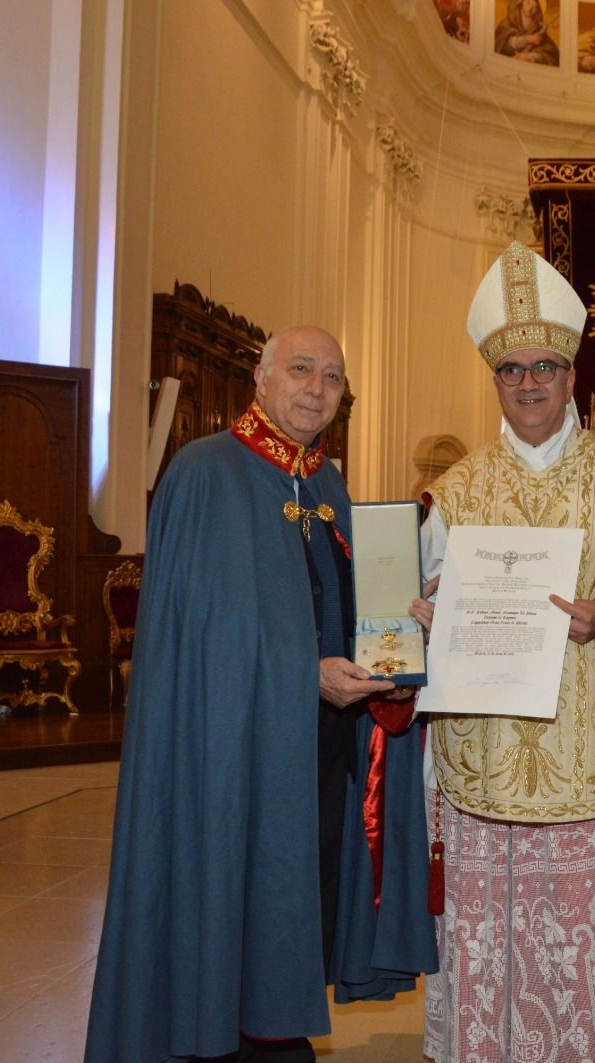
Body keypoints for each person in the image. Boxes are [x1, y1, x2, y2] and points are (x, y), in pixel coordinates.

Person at [85, 325, 433, 1063]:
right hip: (228, 744)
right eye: (301, 369)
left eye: (332, 377)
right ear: (261, 377)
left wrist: (404, 626)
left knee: (296, 894)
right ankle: (221, 1034)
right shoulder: (206, 471)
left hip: (317, 745)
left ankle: (273, 1027)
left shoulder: (327, 482)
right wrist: (304, 672)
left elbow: (348, 605)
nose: (316, 387)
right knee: (232, 884)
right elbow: (202, 636)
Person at [412, 241, 595, 1063]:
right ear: (493, 379)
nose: (528, 382)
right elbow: (416, 597)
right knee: (486, 938)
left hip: (584, 751)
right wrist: (424, 613)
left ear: (573, 374)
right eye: (511, 369)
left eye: (544, 365)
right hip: (481, 751)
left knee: (580, 942)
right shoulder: (455, 490)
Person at [494, 0, 559, 65]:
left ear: (537, 11)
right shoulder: (507, 23)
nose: (530, 7)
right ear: (521, 3)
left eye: (535, 7)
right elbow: (502, 43)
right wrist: (527, 39)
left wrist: (529, 57)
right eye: (528, 2)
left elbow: (550, 54)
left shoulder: (538, 30)